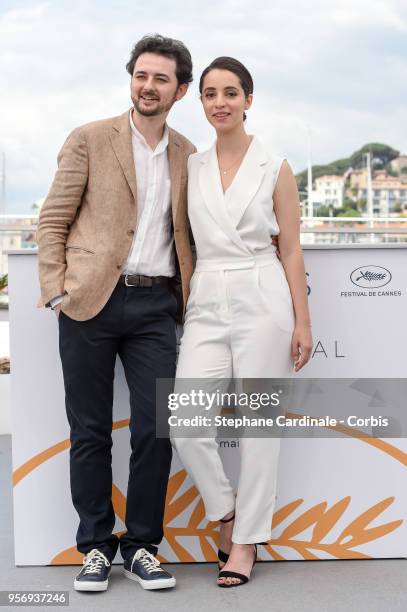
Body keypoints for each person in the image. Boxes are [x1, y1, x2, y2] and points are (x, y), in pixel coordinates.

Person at [37, 34, 196, 592]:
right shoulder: (88, 139)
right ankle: (97, 546)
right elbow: (53, 218)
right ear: (131, 79)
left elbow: (195, 233)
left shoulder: (188, 154)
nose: (148, 86)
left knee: (156, 429)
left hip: (157, 305)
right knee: (90, 431)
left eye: (161, 79)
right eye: (141, 75)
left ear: (180, 89)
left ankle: (143, 546)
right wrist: (56, 289)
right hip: (89, 302)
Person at [171, 57, 313, 587]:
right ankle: (228, 513)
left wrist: (303, 321)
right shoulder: (194, 165)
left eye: (231, 92)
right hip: (207, 294)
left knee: (259, 428)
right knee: (186, 422)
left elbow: (292, 249)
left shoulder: (274, 165)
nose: (220, 103)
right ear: (201, 101)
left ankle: (247, 542)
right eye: (210, 94)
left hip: (262, 291)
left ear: (249, 100)